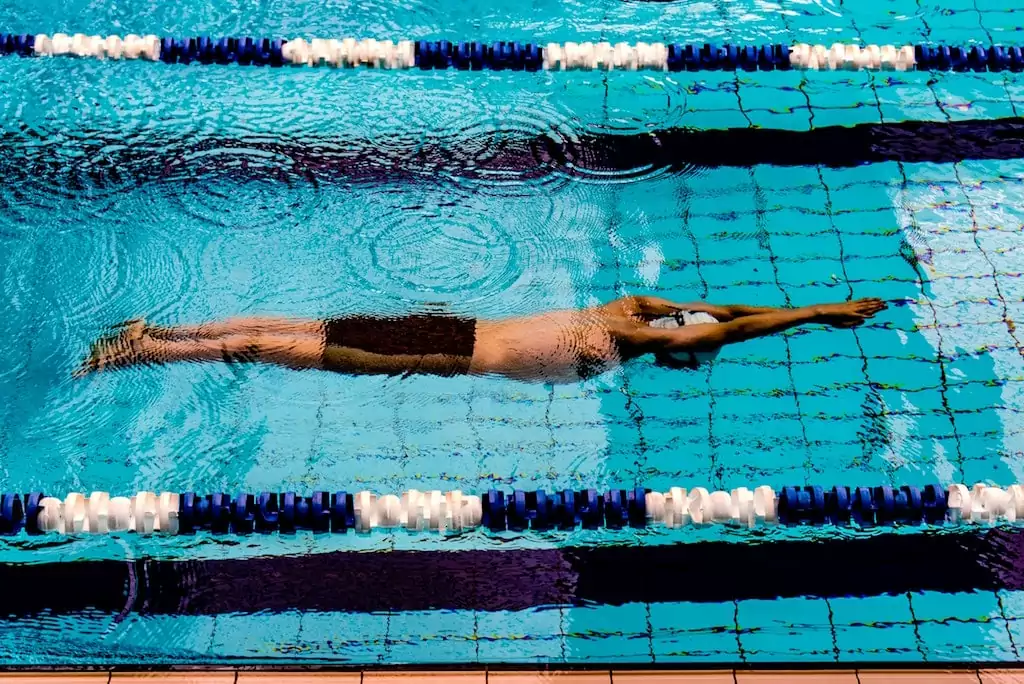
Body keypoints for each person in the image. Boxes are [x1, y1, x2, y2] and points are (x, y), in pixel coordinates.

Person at [76, 296, 887, 383]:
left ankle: (155, 331)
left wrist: (818, 304)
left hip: (447, 324)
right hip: (442, 353)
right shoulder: (621, 347)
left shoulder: (624, 308)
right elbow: (735, 328)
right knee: (278, 348)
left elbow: (721, 313)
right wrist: (819, 315)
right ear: (670, 348)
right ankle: (141, 351)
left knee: (295, 327)